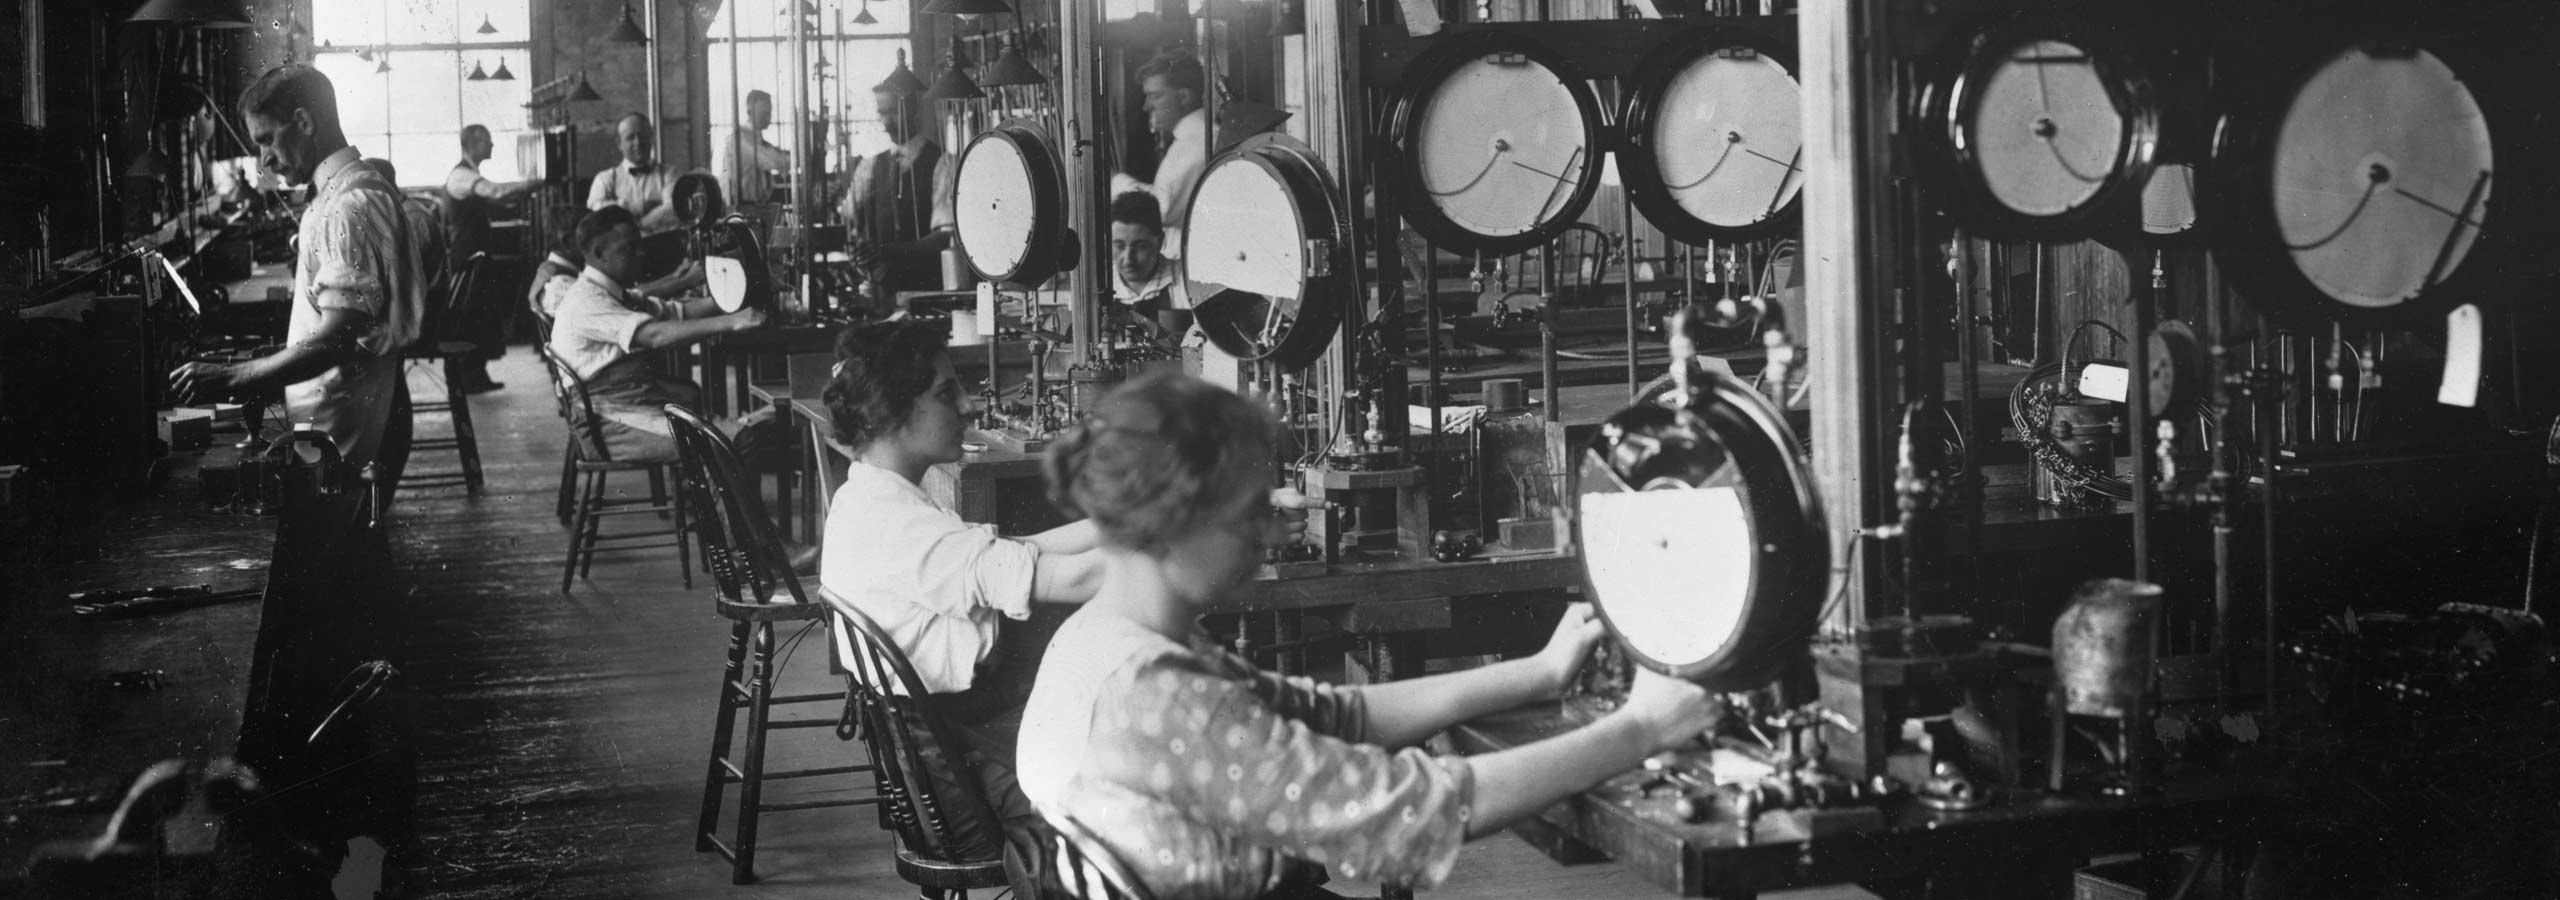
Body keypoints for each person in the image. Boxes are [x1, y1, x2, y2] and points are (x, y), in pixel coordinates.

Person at [1019, 372, 1722, 900]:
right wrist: (1639, 731)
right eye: (1248, 516)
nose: (1269, 536)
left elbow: (1334, 715)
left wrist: (1538, 672)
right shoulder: (1155, 697)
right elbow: (1405, 815)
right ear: (1171, 522)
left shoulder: (1107, 641)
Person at [173, 65, 426, 511]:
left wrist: (237, 377)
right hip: (336, 426)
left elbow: (337, 340)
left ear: (304, 122)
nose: (264, 160)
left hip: (344, 436)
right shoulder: (342, 195)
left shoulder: (347, 206)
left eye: (267, 140)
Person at [545, 206, 764, 462]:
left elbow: (677, 312)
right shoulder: (586, 300)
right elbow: (654, 335)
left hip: (627, 402)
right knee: (733, 441)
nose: (641, 254)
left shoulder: (612, 293)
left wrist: (746, 290)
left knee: (703, 410)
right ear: (599, 253)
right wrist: (732, 322)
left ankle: (704, 495)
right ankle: (712, 495)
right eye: (629, 247)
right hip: (606, 417)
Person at [440, 124, 540, 393]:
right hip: (467, 256)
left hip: (477, 255)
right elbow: (495, 193)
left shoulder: (470, 174)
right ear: (471, 144)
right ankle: (467, 376)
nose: (492, 145)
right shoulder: (461, 175)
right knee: (470, 315)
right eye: (487, 141)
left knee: (480, 314)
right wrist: (532, 183)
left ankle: (476, 375)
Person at [835, 80, 953, 304]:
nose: (887, 122)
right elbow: (846, 216)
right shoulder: (870, 166)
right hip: (883, 291)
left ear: (912, 109)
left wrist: (886, 250)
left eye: (893, 112)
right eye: (882, 113)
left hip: (928, 289)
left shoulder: (942, 164)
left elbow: (945, 238)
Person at [1115, 52, 1207, 259]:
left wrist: (1116, 181)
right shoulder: (1192, 137)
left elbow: (1159, 209)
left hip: (1192, 264)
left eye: (1155, 96)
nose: (1146, 106)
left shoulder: (1196, 141)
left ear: (1184, 96)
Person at [1107, 191, 1189, 343]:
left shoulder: (1185, 282)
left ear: (1160, 241)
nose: (1128, 259)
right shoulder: (1100, 286)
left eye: (1140, 246)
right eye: (1119, 245)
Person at [587, 113, 681, 235]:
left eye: (642, 136)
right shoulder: (605, 179)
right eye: (630, 137)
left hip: (662, 248)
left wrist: (636, 225)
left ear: (652, 137)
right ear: (619, 143)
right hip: (620, 251)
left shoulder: (670, 174)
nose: (638, 142)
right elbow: (595, 211)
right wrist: (637, 207)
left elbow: (673, 209)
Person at [712, 90, 791, 224]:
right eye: (764, 113)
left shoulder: (757, 140)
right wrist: (785, 158)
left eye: (769, 113)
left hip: (756, 205)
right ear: (749, 110)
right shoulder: (738, 140)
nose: (768, 118)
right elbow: (767, 161)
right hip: (740, 208)